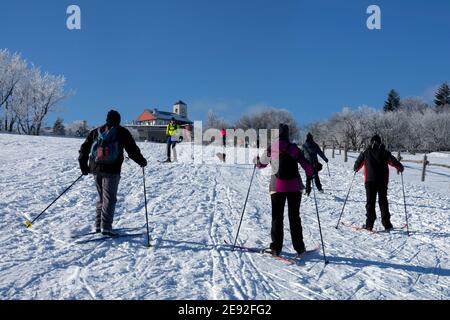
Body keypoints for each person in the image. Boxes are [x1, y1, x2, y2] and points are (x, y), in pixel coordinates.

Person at [78, 110, 147, 236]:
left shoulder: (96, 131)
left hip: (96, 169)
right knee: (109, 199)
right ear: (118, 120)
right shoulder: (121, 132)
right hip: (112, 169)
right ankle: (106, 228)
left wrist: (84, 166)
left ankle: (99, 225)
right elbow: (131, 149)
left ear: (107, 119)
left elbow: (84, 148)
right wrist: (141, 161)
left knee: (101, 198)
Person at [255, 124, 314, 257]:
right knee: (294, 217)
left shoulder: (272, 148)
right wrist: (311, 173)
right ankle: (300, 248)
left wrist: (257, 161)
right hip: (295, 187)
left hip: (277, 187)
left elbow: (261, 165)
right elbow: (306, 165)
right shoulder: (294, 148)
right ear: (287, 134)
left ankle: (275, 248)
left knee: (277, 217)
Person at [354, 134, 404, 231]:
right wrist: (400, 167)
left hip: (369, 181)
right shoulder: (385, 152)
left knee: (370, 202)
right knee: (383, 202)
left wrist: (356, 168)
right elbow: (393, 161)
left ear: (371, 142)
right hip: (382, 181)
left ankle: (369, 224)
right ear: (380, 142)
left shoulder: (366, 152)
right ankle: (387, 224)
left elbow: (357, 165)